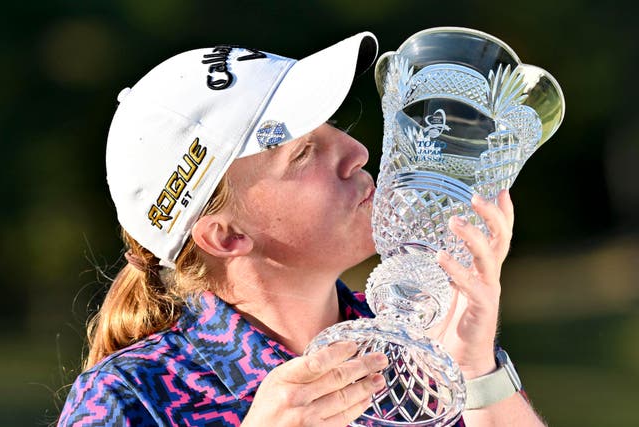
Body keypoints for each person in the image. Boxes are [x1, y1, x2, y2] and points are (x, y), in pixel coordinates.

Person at [58, 32, 546, 426]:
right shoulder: (130, 398)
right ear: (226, 237)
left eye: (328, 127)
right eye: (302, 153)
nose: (357, 152)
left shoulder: (429, 346)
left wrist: (476, 369)